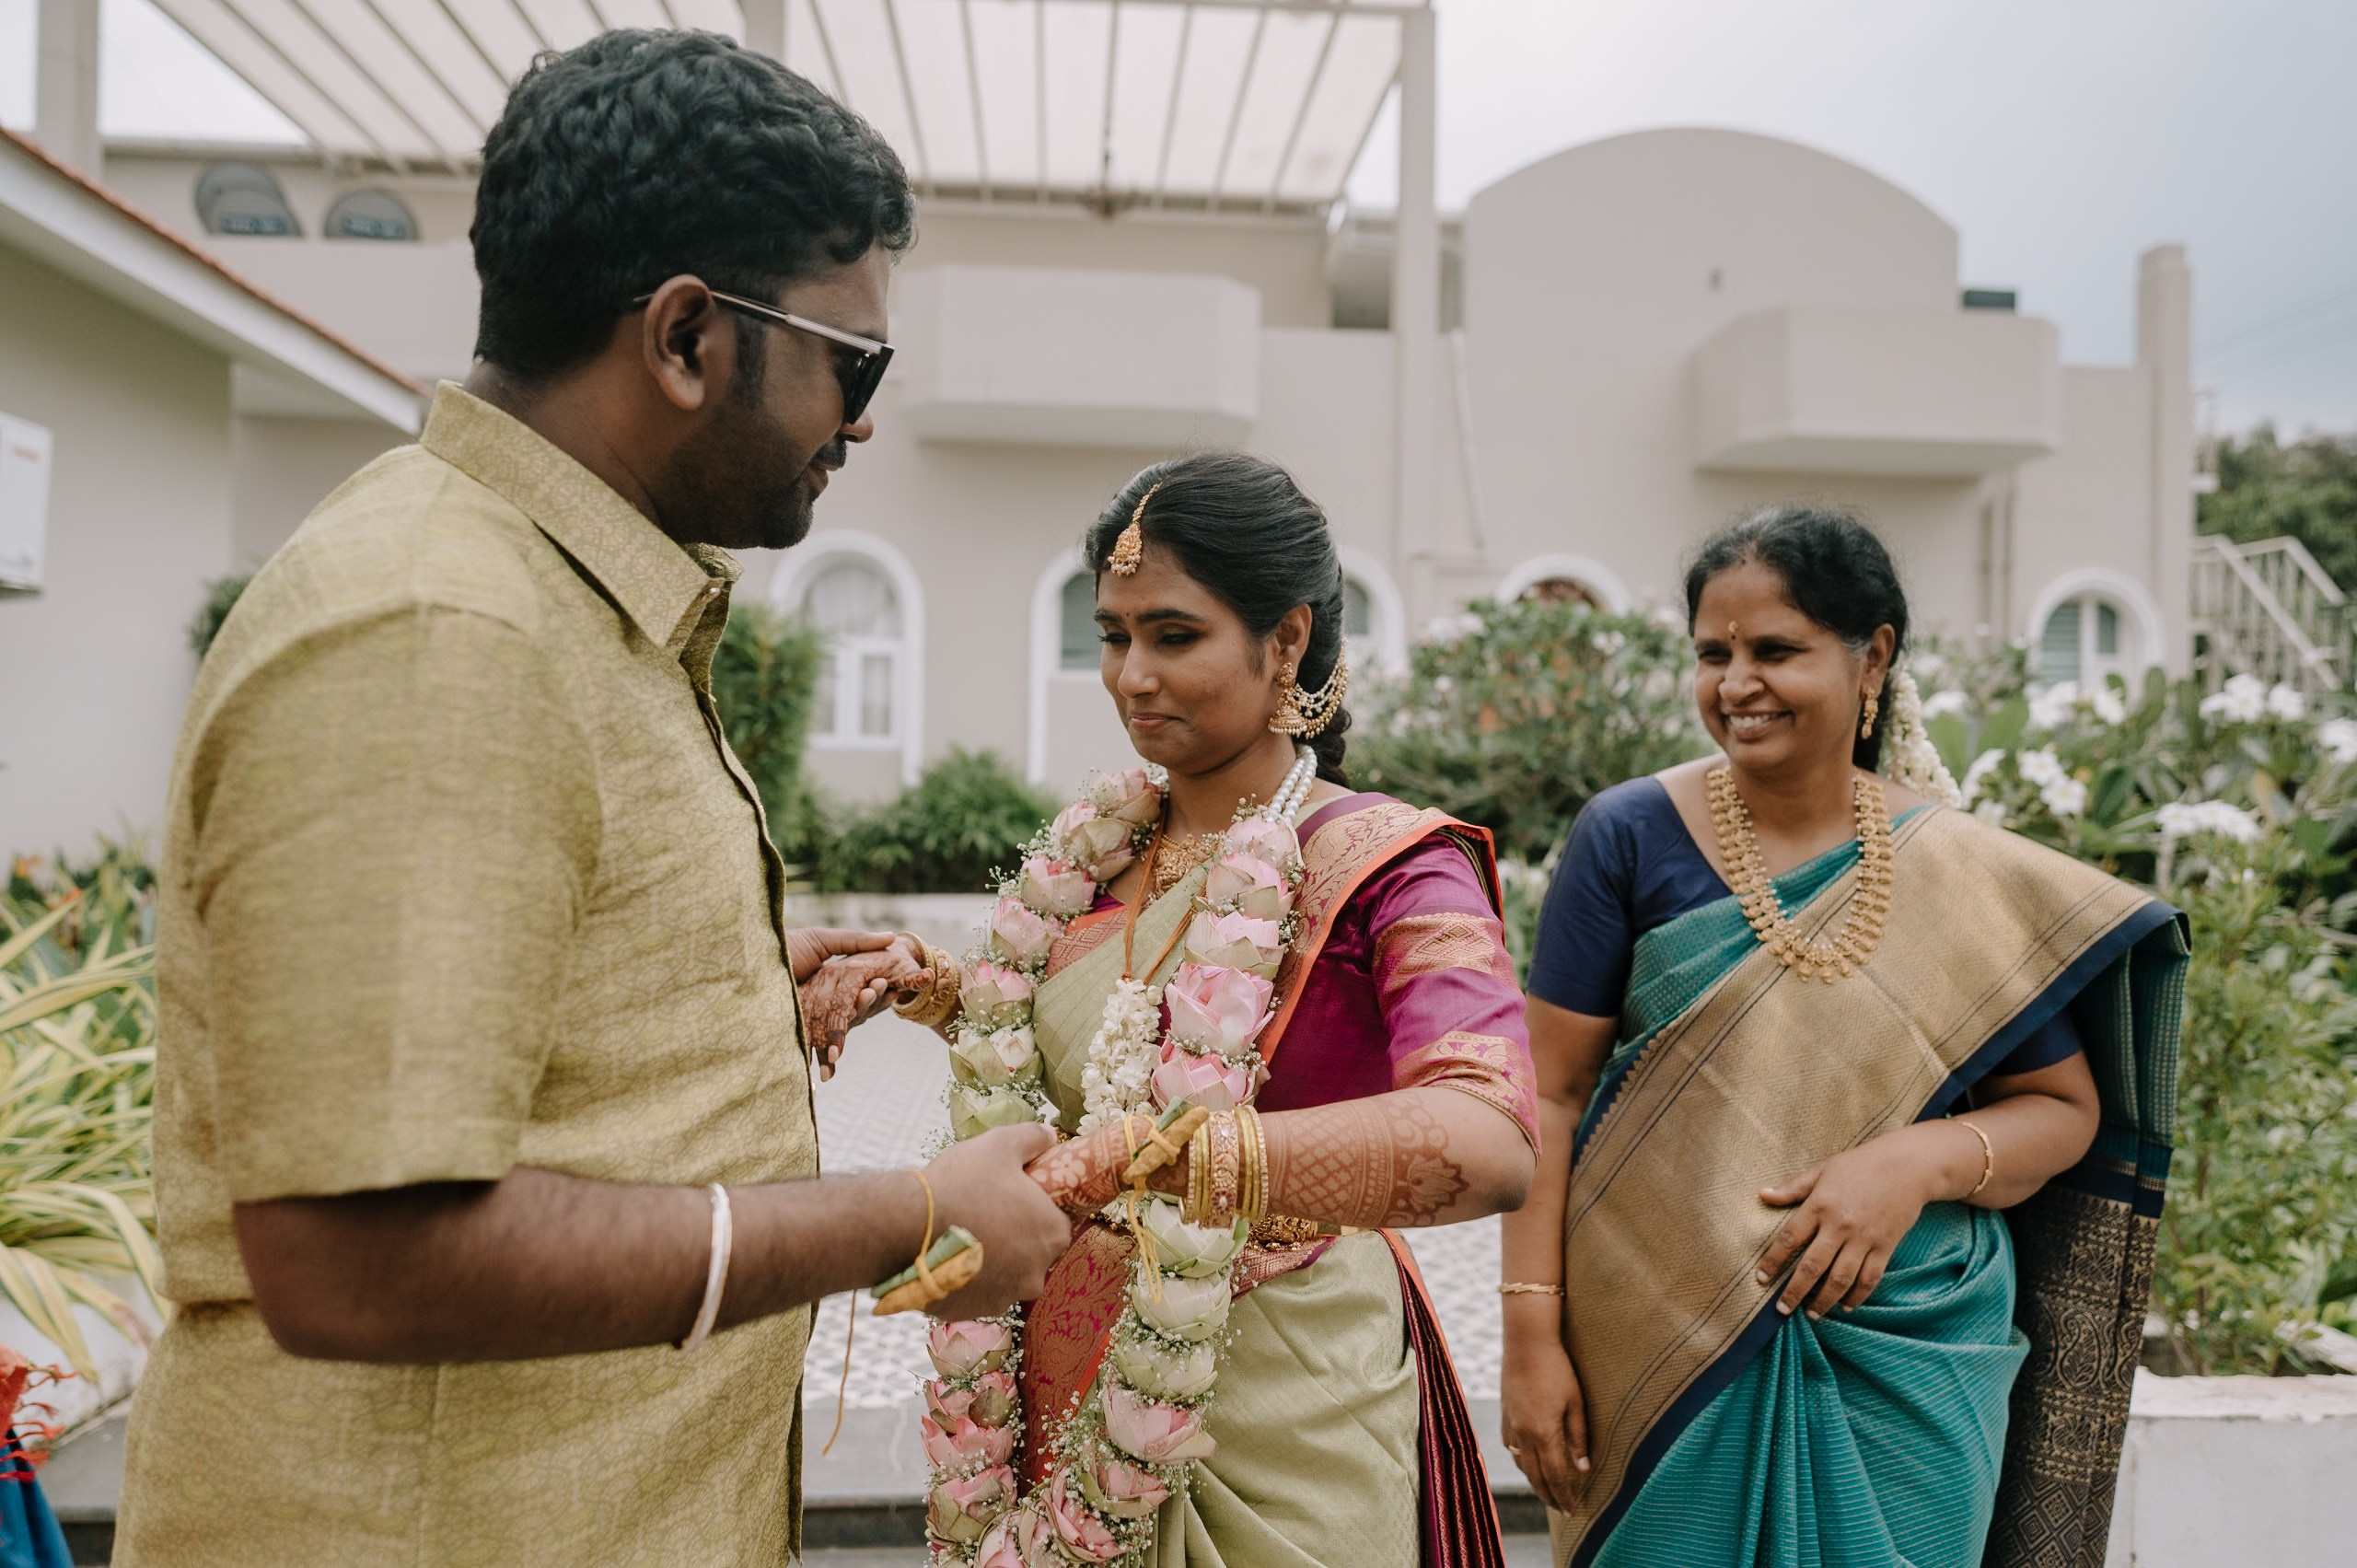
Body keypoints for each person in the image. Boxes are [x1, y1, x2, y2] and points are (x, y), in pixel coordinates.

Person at [115, 32, 1069, 1568]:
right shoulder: (441, 627)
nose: (868, 416)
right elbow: (359, 1254)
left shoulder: (545, 597)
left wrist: (723, 993)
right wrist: (907, 1210)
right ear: (688, 336)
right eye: (855, 360)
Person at [1498, 505, 2188, 1568]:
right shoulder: (1628, 835)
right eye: (1711, 653)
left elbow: (2065, 1110)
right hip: (1656, 1335)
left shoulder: (1958, 871)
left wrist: (1908, 1163)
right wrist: (1530, 1337)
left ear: (1872, 658)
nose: (1735, 684)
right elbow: (1545, 1093)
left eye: (1774, 650)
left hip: (1909, 1343)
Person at [904, 453, 1537, 1567]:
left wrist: (1171, 1160)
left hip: (1284, 1405)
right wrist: (938, 992)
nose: (1130, 674)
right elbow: (1090, 1062)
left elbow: (1489, 1140)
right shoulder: (1096, 856)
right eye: (1111, 634)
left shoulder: (1391, 866)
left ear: (1284, 639)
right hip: (1058, 1376)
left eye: (1173, 634)